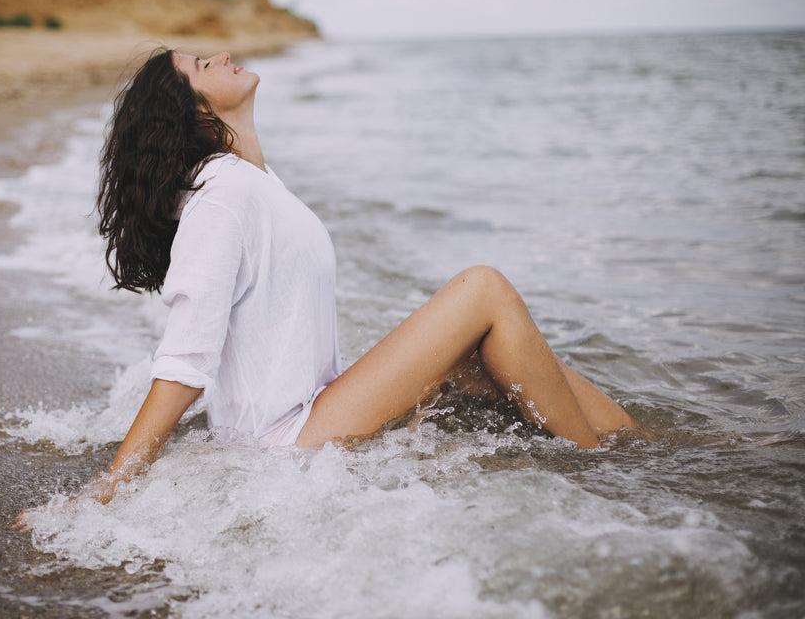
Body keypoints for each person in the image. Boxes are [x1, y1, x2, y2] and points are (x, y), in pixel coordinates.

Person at [44, 48, 644, 509]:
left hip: (308, 414)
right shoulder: (222, 194)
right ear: (198, 112)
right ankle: (597, 470)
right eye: (204, 64)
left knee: (487, 354)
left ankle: (641, 450)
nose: (224, 55)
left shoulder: (252, 181)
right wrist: (114, 484)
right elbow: (186, 355)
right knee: (483, 288)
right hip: (284, 440)